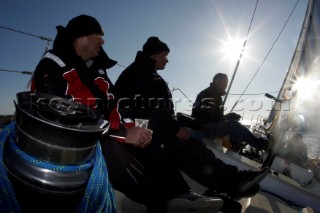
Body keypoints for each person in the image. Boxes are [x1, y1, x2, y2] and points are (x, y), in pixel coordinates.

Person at [31, 15, 221, 213]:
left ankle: (180, 194)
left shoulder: (96, 70)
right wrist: (122, 134)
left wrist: (132, 129)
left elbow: (115, 105)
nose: (103, 41)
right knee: (109, 148)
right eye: (99, 35)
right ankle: (162, 203)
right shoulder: (52, 64)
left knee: (153, 141)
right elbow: (64, 114)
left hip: (100, 131)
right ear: (81, 37)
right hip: (65, 143)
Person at [114, 36, 269, 207]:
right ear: (156, 54)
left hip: (155, 128)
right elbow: (153, 112)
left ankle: (235, 179)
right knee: (190, 152)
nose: (167, 60)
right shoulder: (142, 74)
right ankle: (230, 185)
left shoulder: (143, 72)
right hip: (147, 133)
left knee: (198, 148)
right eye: (165, 55)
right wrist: (175, 130)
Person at [192, 73, 268, 151]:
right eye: (224, 82)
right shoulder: (209, 94)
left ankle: (234, 144)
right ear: (216, 81)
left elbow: (213, 116)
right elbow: (209, 118)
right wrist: (227, 118)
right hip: (202, 128)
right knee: (233, 125)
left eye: (226, 83)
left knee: (233, 121)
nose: (226, 85)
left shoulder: (214, 94)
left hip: (206, 125)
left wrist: (229, 116)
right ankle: (260, 145)